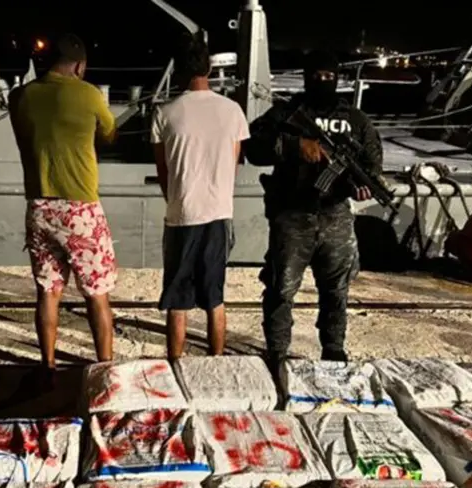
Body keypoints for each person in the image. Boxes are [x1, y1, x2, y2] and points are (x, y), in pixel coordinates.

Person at [244, 49, 383, 370]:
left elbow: (372, 165)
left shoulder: (355, 121)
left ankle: (333, 348)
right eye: (317, 76)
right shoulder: (287, 113)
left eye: (330, 76)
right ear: (306, 78)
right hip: (292, 215)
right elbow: (253, 146)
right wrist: (295, 146)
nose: (323, 81)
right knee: (281, 288)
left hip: (335, 215)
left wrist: (362, 185)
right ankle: (277, 351)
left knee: (337, 290)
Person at [9, 33, 118, 384]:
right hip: (80, 209)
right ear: (80, 66)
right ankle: (103, 370)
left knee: (48, 291)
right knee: (97, 294)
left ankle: (48, 368)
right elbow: (110, 135)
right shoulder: (89, 94)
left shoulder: (19, 96)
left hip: (39, 207)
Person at [151, 34, 250, 360]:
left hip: (181, 215)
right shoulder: (233, 111)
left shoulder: (164, 113)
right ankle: (216, 361)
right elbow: (233, 162)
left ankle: (175, 363)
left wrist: (176, 199)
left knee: (178, 300)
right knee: (215, 297)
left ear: (179, 70)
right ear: (208, 68)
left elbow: (163, 171)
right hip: (218, 214)